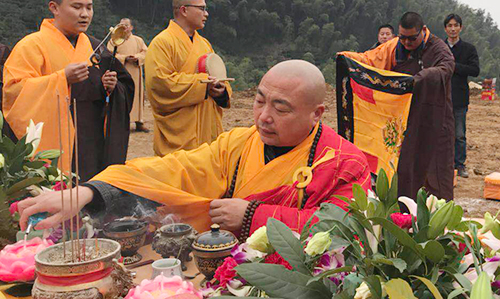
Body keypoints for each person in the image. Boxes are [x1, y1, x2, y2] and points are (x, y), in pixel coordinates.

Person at [17, 60, 371, 240]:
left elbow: (345, 228)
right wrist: (89, 191)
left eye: (281, 108)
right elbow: (177, 169)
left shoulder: (345, 163)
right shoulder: (238, 142)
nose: (263, 117)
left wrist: (252, 218)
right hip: (221, 263)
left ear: (317, 113)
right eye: (259, 100)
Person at [2, 0, 134, 182]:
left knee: (88, 200)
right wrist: (62, 79)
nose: (85, 14)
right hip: (54, 143)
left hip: (91, 141)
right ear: (54, 8)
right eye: (76, 7)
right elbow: (13, 93)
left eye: (89, 7)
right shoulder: (31, 45)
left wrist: (111, 88)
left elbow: (123, 87)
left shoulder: (95, 46)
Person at [339, 12, 455, 201]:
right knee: (405, 167)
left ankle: (436, 221)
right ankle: (403, 217)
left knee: (436, 170)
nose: (407, 43)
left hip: (434, 117)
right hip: (405, 118)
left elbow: (446, 67)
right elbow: (370, 59)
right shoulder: (394, 47)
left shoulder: (438, 48)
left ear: (423, 31)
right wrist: (346, 58)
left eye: (412, 38)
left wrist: (419, 79)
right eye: (403, 38)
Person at [145, 0, 232, 156]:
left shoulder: (205, 44)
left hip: (207, 129)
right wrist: (204, 85)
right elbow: (160, 83)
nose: (206, 14)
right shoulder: (162, 43)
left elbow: (218, 75)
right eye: (202, 8)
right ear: (184, 10)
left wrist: (221, 90)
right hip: (179, 132)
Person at [443, 13, 480, 178]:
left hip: (459, 98)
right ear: (445, 28)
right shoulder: (439, 47)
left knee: (459, 134)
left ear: (460, 27)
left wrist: (453, 66)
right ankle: (443, 164)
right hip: (440, 97)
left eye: (455, 25)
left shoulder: (468, 49)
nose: (452, 29)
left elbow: (474, 70)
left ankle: (460, 165)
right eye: (449, 25)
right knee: (442, 132)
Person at [107, 18, 149, 132]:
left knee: (137, 95)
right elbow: (109, 54)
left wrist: (137, 57)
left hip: (135, 70)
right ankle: (122, 122)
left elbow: (145, 52)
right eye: (121, 25)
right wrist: (124, 58)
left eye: (126, 25)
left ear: (131, 27)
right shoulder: (114, 40)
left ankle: (139, 122)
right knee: (121, 95)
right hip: (120, 72)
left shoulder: (138, 40)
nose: (124, 27)